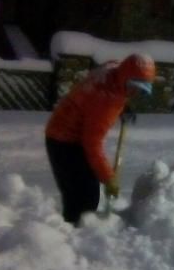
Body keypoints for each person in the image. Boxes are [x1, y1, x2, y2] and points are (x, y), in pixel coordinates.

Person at [45, 53, 156, 224]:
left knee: (84, 193)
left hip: (66, 132)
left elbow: (118, 81)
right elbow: (92, 144)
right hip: (64, 141)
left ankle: (73, 229)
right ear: (125, 77)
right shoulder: (105, 102)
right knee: (83, 198)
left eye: (140, 90)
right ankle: (73, 236)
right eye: (133, 86)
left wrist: (124, 105)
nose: (134, 93)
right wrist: (108, 178)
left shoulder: (114, 70)